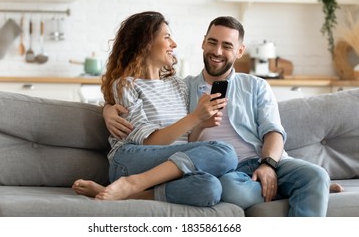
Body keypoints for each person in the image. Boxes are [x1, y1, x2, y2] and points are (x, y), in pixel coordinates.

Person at [104, 15, 343, 216]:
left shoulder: (256, 85)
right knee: (228, 189)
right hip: (229, 173)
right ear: (203, 43)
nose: (217, 52)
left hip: (268, 161)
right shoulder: (185, 87)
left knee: (316, 174)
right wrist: (107, 109)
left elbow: (274, 132)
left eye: (227, 46)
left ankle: (307, 185)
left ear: (239, 51)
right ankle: (301, 188)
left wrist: (268, 165)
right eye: (212, 42)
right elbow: (139, 95)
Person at [72, 11, 238, 207]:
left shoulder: (179, 85)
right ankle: (133, 182)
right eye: (167, 37)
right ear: (146, 43)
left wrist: (201, 124)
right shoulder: (126, 85)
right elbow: (149, 142)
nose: (174, 44)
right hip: (131, 161)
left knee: (210, 188)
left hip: (168, 167)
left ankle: (129, 192)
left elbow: (185, 142)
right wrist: (194, 118)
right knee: (225, 153)